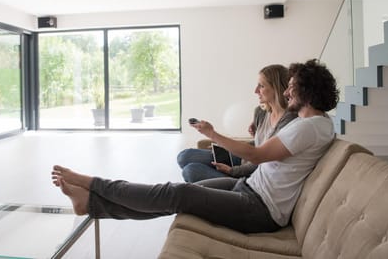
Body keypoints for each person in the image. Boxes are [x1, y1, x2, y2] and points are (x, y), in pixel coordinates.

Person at [51, 59, 339, 234]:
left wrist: (212, 133)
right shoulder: (318, 124)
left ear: (307, 91)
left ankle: (92, 184)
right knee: (172, 197)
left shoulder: (308, 127)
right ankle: (90, 203)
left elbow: (256, 154)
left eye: (293, 86)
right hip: (250, 188)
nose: (288, 91)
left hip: (260, 209)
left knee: (175, 192)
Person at [177, 64, 297, 182]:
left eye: (261, 86)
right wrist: (226, 146)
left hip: (251, 173)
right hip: (243, 159)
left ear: (276, 88)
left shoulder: (289, 121)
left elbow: (261, 158)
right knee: (184, 156)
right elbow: (258, 144)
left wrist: (233, 171)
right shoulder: (261, 112)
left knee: (191, 171)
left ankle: (224, 184)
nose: (255, 91)